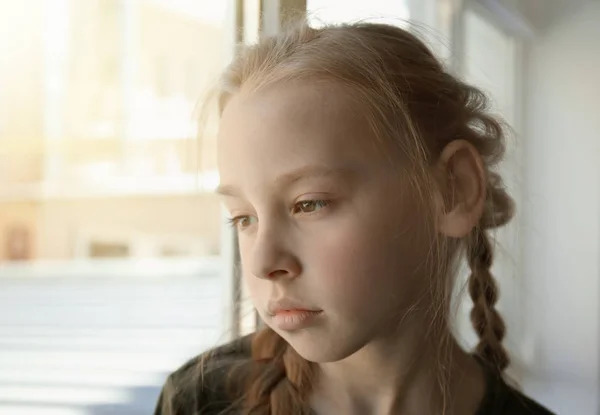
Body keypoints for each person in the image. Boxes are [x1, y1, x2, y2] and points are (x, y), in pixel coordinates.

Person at [154, 18, 555, 415]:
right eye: (243, 218)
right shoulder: (199, 403)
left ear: (454, 190)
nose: (261, 263)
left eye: (309, 203)